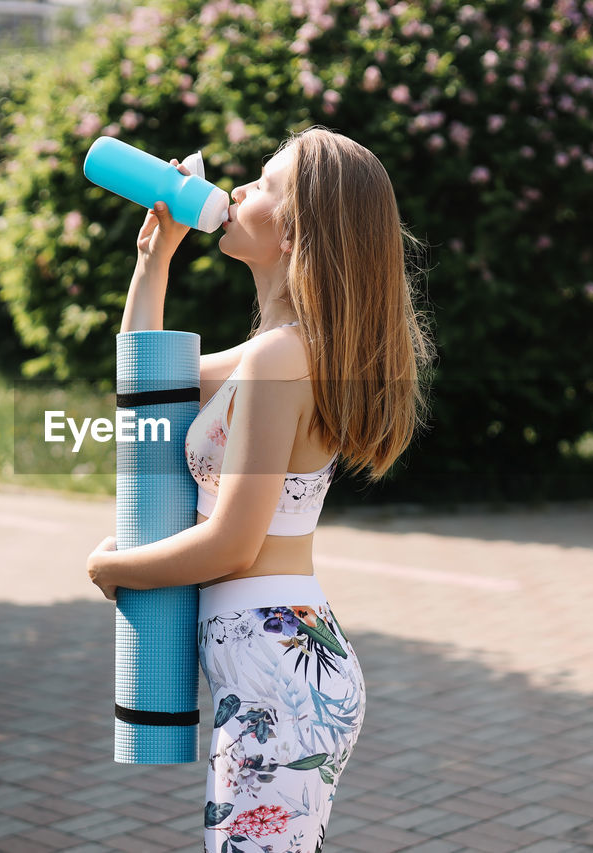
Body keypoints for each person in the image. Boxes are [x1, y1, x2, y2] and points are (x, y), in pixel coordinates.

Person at [87, 126, 435, 853]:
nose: (239, 189)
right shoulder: (275, 348)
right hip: (275, 667)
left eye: (266, 185)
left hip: (280, 674)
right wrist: (153, 262)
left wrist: (112, 568)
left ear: (294, 234)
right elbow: (143, 387)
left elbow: (234, 544)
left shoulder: (283, 357)